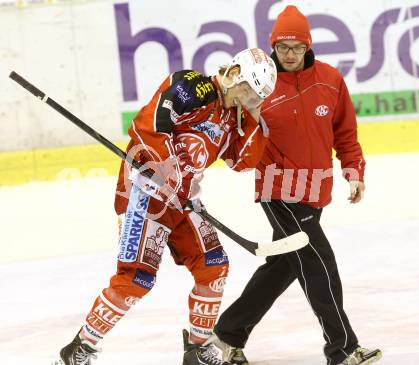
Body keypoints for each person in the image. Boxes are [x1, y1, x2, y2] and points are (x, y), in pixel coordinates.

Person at [52, 48, 277, 365]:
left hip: (182, 200)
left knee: (213, 267)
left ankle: (197, 349)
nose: (249, 100)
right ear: (234, 74)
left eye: (256, 98)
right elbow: (149, 125)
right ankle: (78, 350)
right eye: (248, 91)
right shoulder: (194, 87)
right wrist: (169, 169)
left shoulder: (231, 118)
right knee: (135, 279)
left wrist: (253, 116)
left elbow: (242, 162)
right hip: (144, 194)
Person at [205, 6, 382, 365]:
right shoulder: (260, 84)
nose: (289, 54)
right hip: (278, 190)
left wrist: (354, 168)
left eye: (296, 48)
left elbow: (345, 131)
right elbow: (233, 125)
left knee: (285, 266)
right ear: (273, 46)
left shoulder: (329, 79)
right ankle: (343, 349)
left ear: (308, 48)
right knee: (319, 262)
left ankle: (225, 337)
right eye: (283, 47)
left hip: (315, 192)